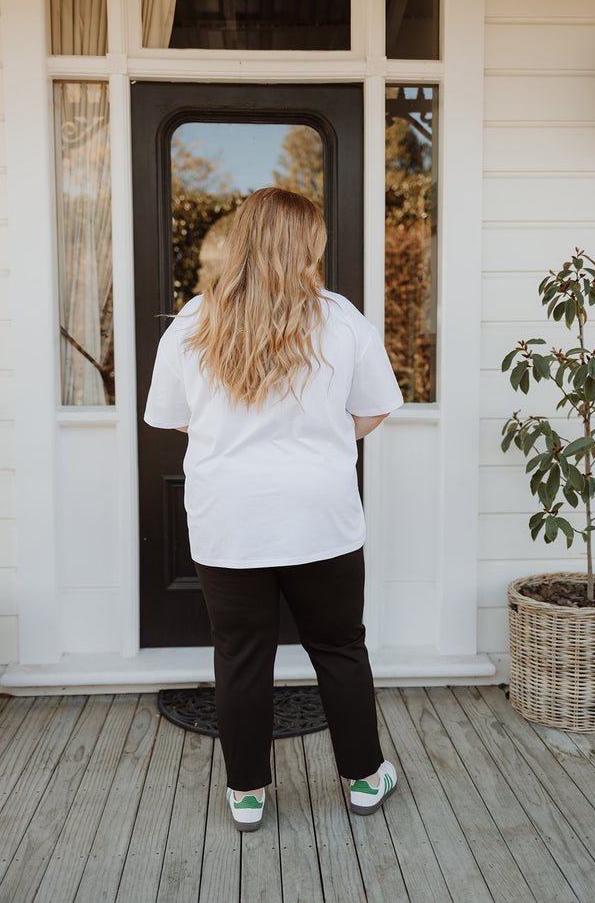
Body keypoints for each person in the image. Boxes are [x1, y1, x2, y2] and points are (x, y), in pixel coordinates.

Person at [144, 187, 403, 832]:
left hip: (229, 515)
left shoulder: (193, 323)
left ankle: (248, 793)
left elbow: (173, 420)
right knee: (340, 646)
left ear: (242, 238)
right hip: (321, 513)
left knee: (239, 654)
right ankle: (366, 779)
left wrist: (238, 445)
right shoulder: (341, 319)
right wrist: (315, 441)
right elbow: (372, 409)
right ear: (308, 243)